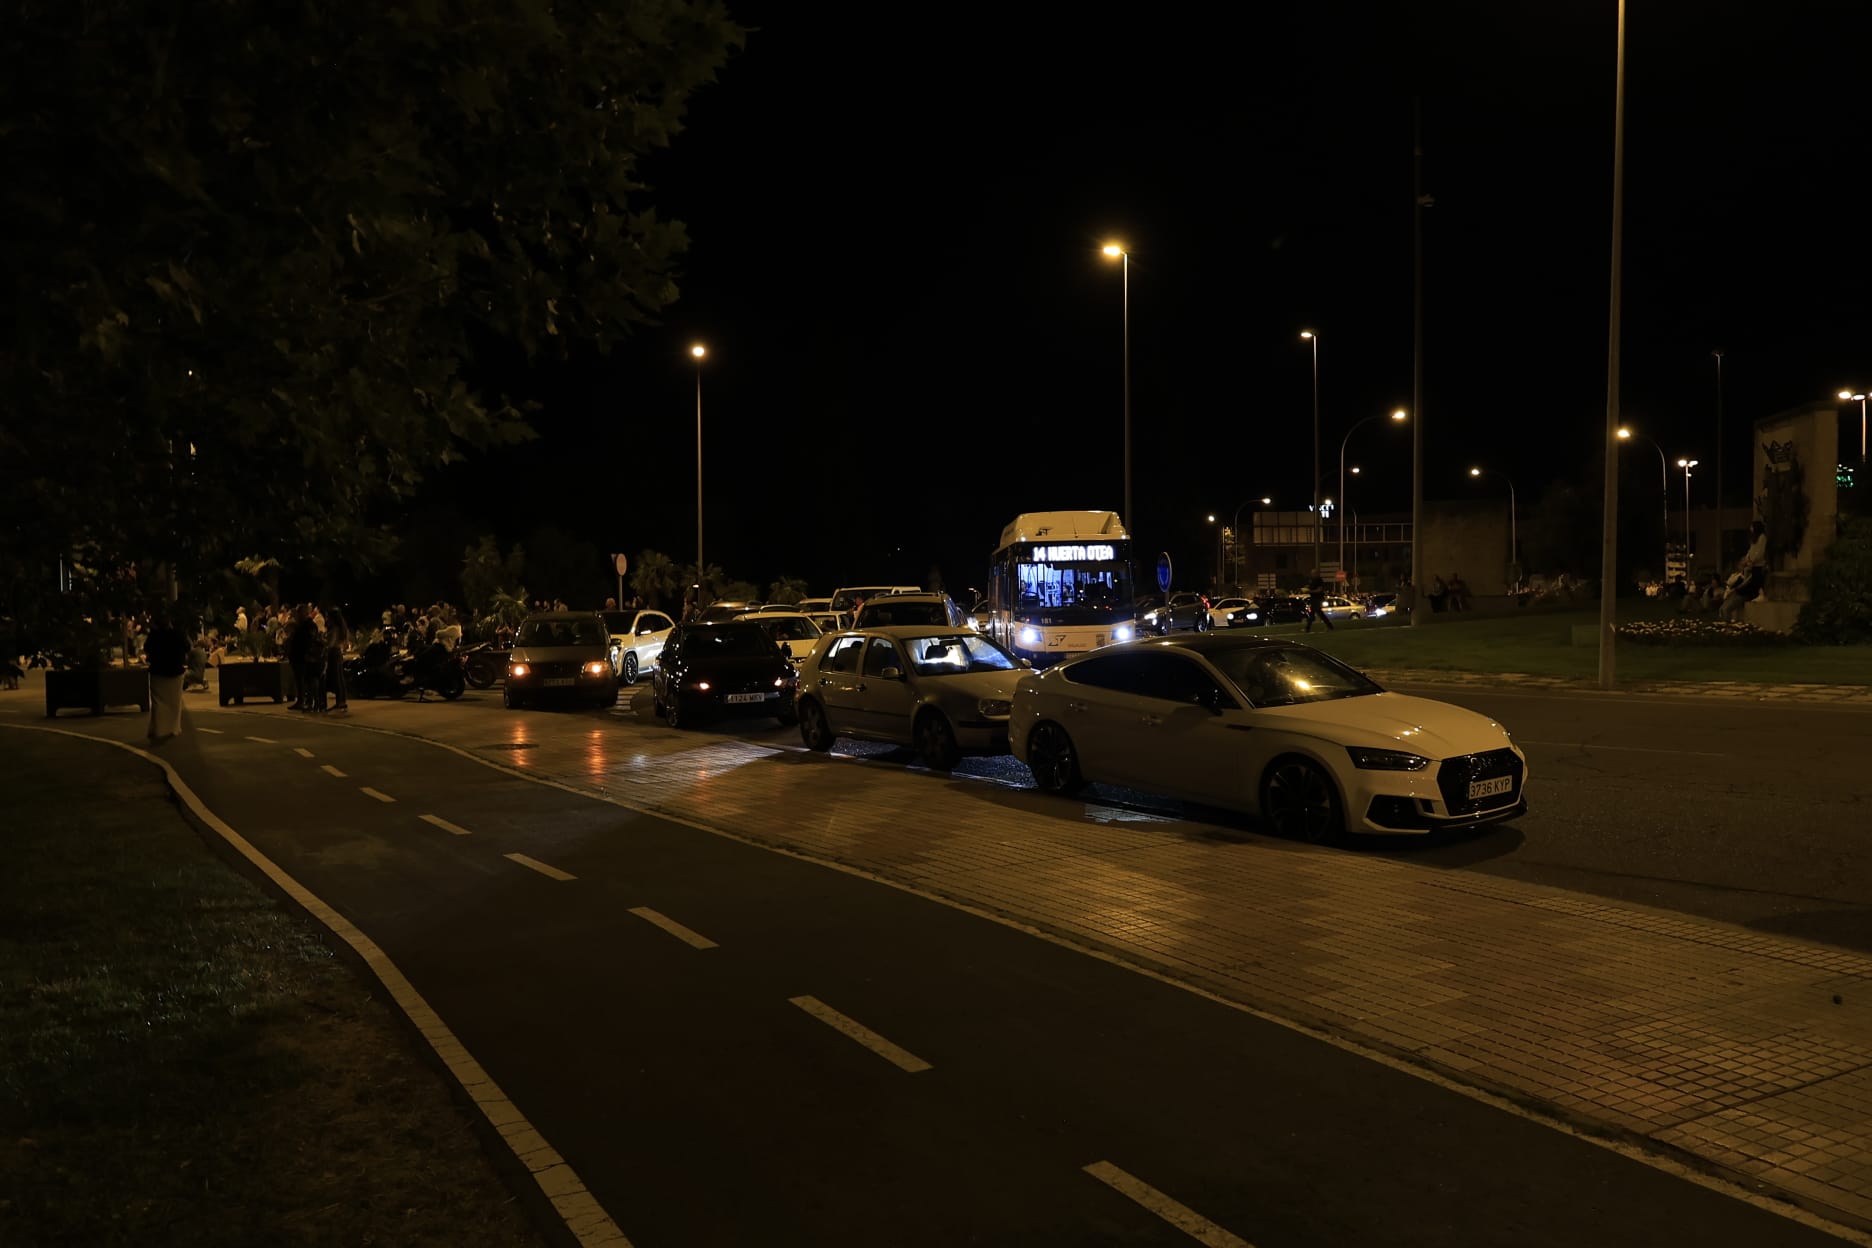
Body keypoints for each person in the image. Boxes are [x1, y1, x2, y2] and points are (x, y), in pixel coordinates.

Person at [144, 613, 190, 744]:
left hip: (157, 671)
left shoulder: (154, 635)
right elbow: (187, 647)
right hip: (175, 671)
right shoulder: (178, 634)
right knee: (174, 702)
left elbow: (147, 648)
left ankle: (158, 728)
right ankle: (173, 728)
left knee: (158, 702)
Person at [1720, 520, 1770, 620]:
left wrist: (1750, 560)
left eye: (1752, 527)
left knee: (1750, 586)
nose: (1750, 529)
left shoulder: (1762, 538)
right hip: (1751, 567)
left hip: (1757, 567)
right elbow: (1750, 552)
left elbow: (1759, 553)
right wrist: (1746, 559)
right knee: (1724, 607)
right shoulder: (1754, 540)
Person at [324, 608, 351, 713]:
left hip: (334, 653)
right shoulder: (340, 628)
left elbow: (330, 643)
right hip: (338, 652)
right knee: (339, 677)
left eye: (327, 617)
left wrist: (323, 640)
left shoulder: (334, 628)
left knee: (337, 678)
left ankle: (340, 702)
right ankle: (341, 701)